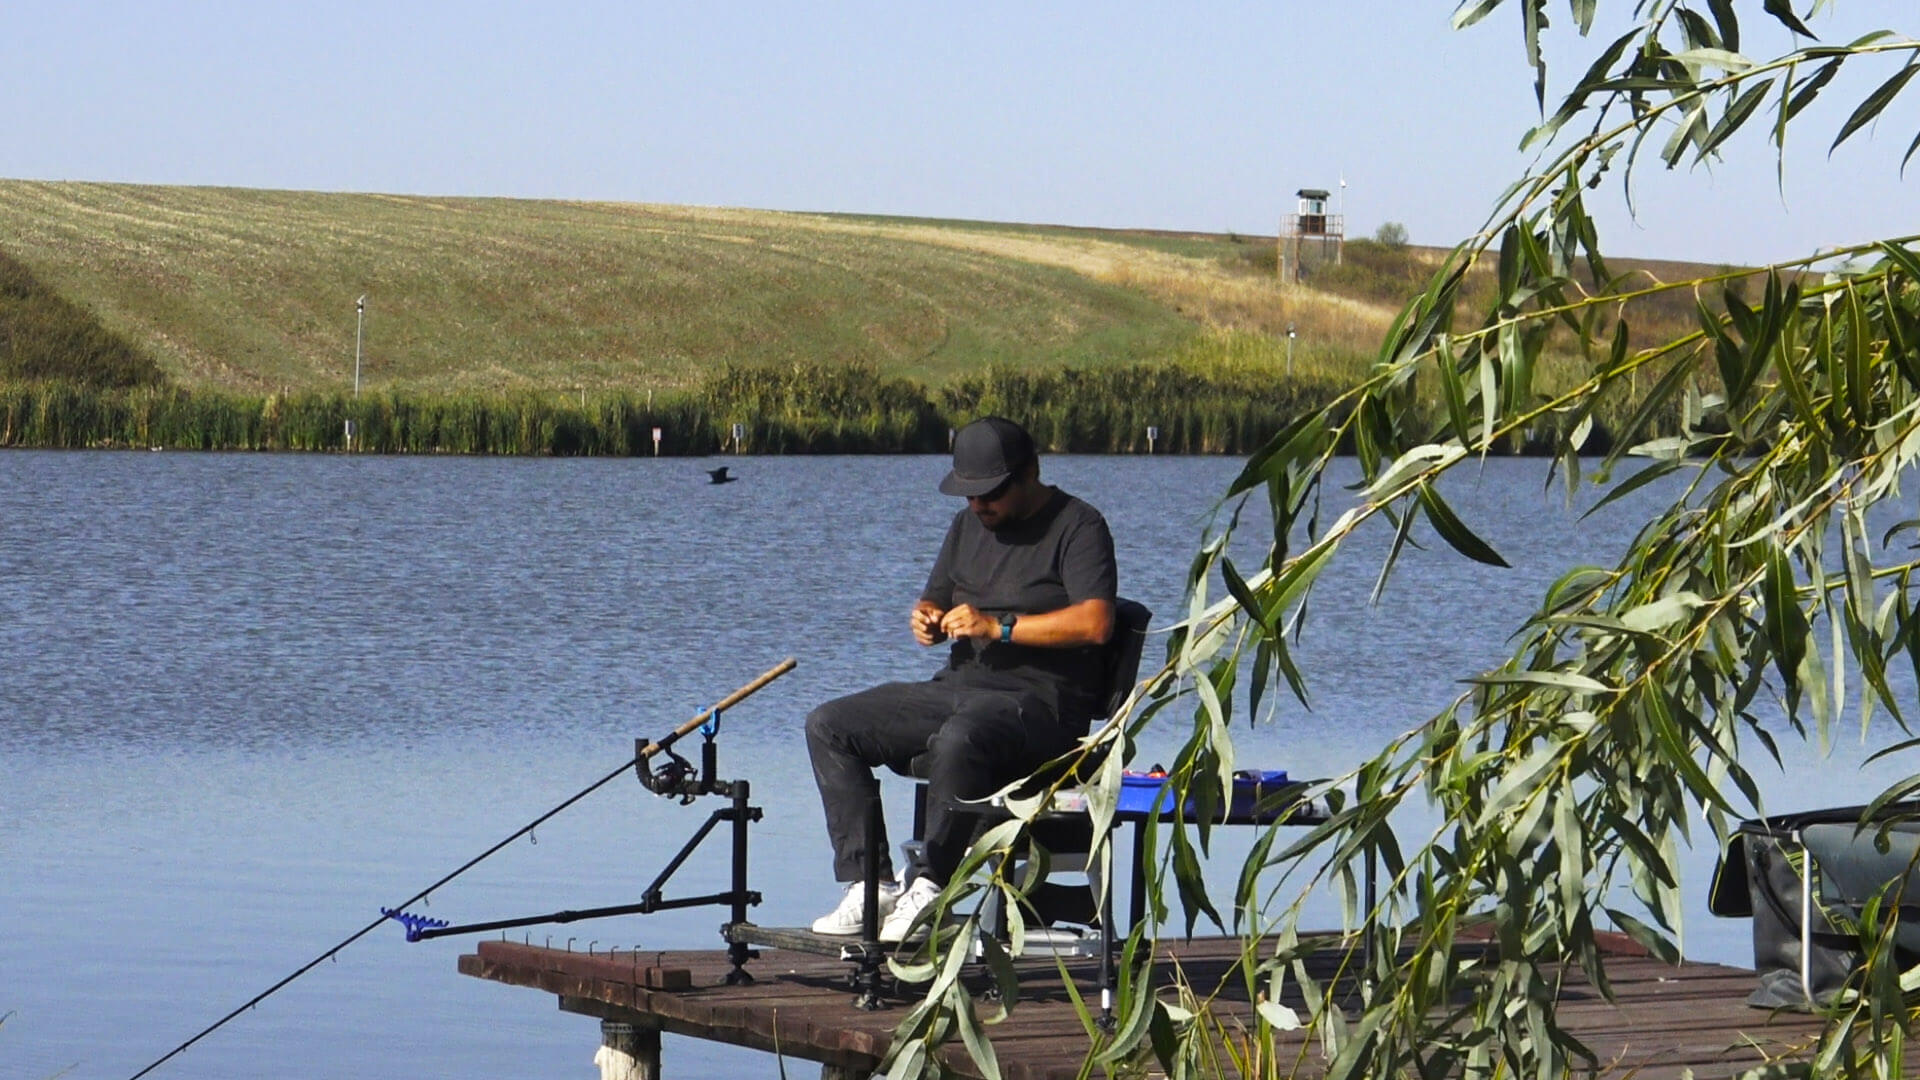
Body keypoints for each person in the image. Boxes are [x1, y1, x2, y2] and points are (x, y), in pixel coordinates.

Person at [805, 416, 1118, 942]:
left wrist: (999, 627)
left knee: (960, 738)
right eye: (969, 494)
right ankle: (870, 885)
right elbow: (936, 597)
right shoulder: (965, 526)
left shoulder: (1079, 526)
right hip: (957, 689)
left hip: (1042, 706)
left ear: (1030, 473)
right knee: (829, 724)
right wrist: (926, 618)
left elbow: (1096, 622)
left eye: (991, 493)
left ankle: (932, 886)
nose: (979, 505)